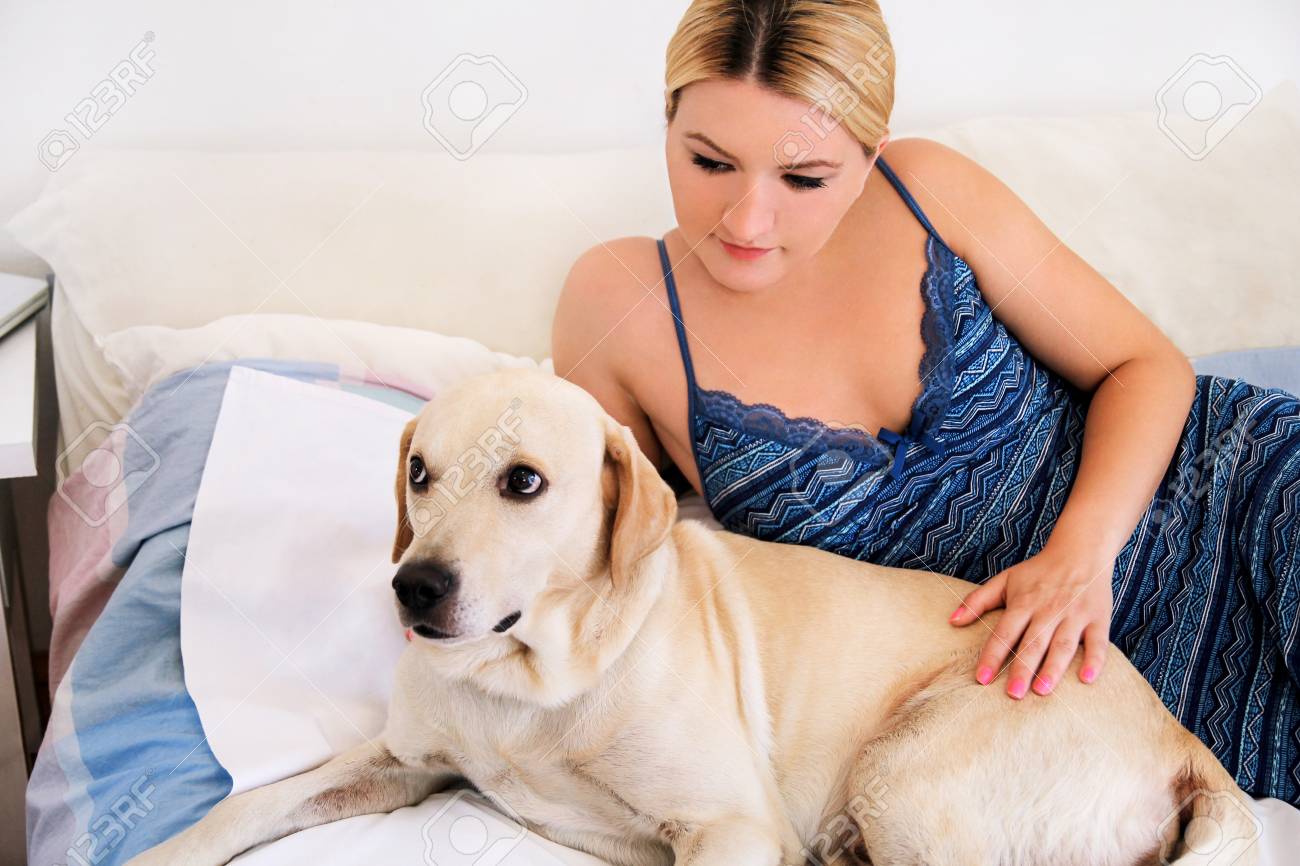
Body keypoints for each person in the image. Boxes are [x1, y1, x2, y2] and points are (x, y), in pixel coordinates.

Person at [551, 0, 1299, 806]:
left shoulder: (925, 190)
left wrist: (1079, 558)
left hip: (1220, 493)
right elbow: (589, 558)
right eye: (709, 163)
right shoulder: (620, 302)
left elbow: (1143, 365)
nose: (748, 219)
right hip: (1030, 676)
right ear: (666, 122)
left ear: (869, 155)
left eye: (803, 178)